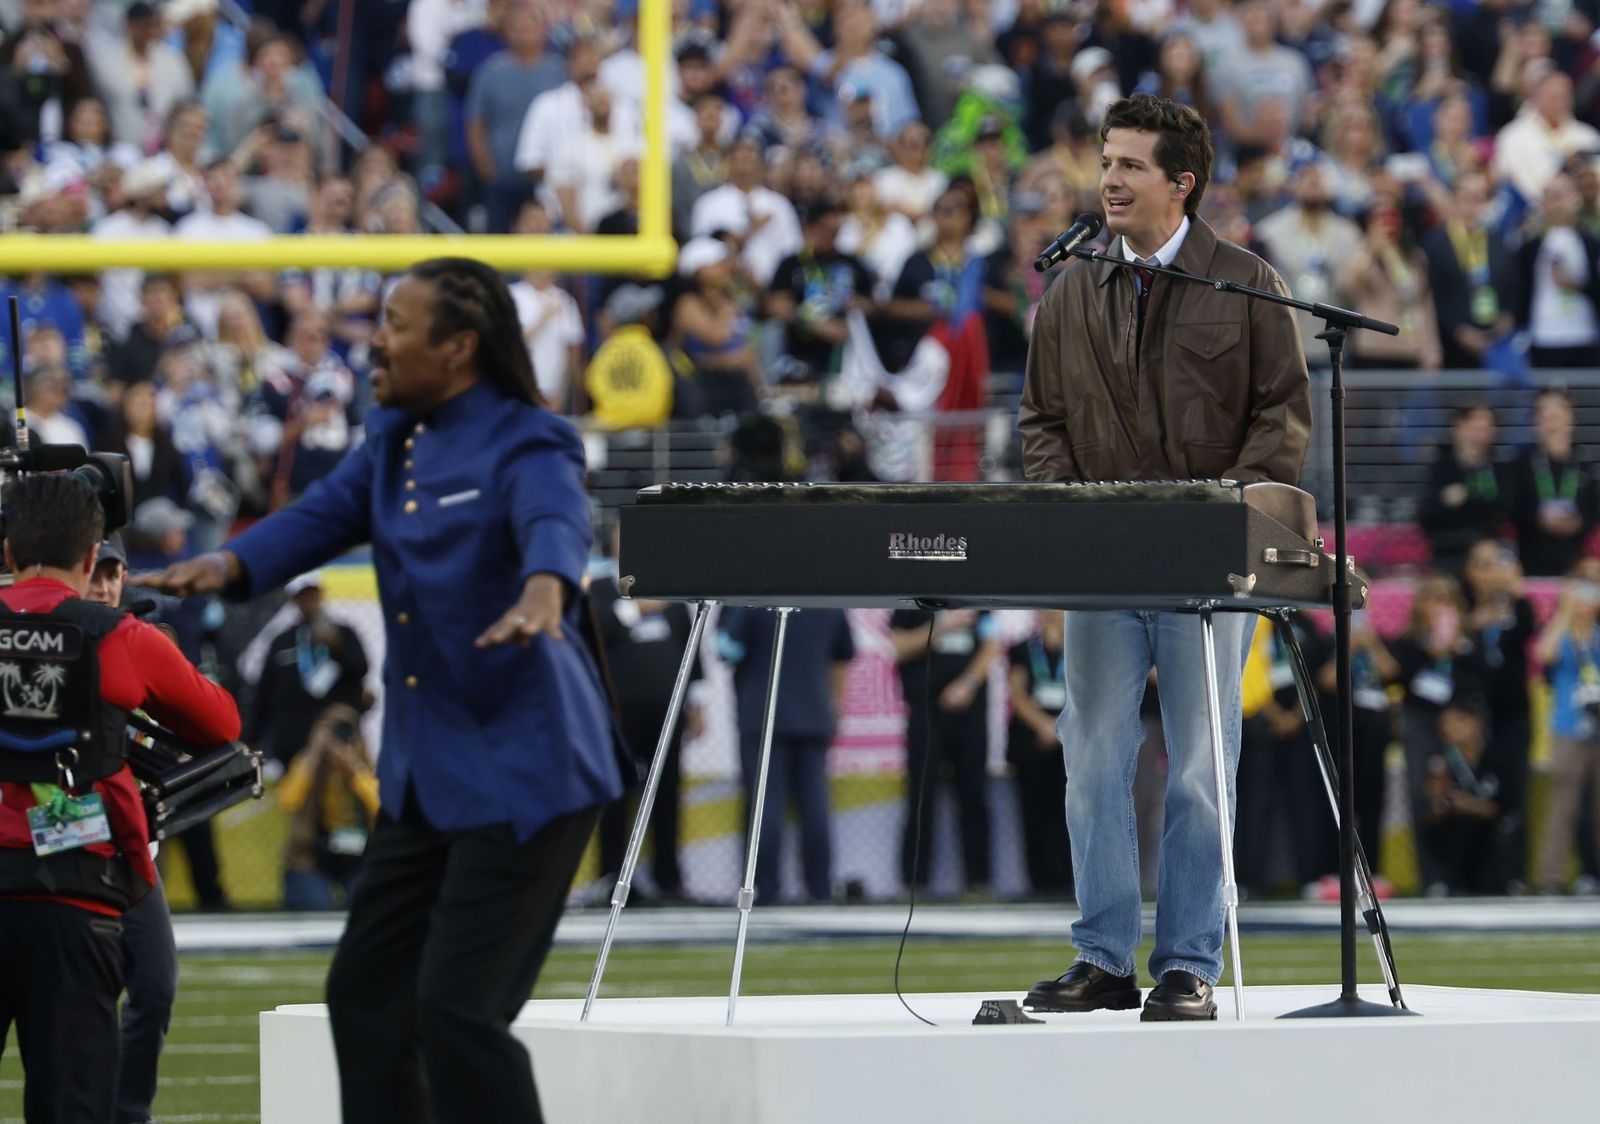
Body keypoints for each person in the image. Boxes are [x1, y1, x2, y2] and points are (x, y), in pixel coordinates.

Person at [133, 257, 630, 1124]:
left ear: (460, 346)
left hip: (529, 770)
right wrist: (229, 563)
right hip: (426, 773)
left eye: (397, 325)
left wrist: (549, 584)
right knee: (363, 995)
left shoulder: (528, 435)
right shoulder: (394, 440)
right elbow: (319, 517)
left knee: (458, 1013)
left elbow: (555, 518)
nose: (376, 343)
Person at [1017, 94, 1309, 1021]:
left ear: (1182, 183)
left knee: (1198, 766)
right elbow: (1042, 422)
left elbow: (1282, 416)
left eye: (1131, 165)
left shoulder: (1247, 279)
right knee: (1092, 757)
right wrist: (1072, 513)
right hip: (1102, 565)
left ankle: (1188, 963)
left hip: (1208, 566)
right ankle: (1102, 957)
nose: (1109, 178)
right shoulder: (1071, 289)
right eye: (1107, 161)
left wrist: (1225, 513)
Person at [0, 473, 239, 1124]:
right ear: (89, 560)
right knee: (74, 1102)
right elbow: (221, 724)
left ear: (7, 554)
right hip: (77, 891)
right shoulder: (122, 637)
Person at [84, 533, 182, 1124]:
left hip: (128, 850)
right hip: (56, 847)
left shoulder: (142, 642)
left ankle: (128, 1114)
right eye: (92, 571)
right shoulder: (47, 637)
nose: (102, 585)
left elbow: (212, 721)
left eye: (112, 573)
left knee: (156, 986)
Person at [719, 605, 855, 904]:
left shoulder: (752, 597)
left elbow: (728, 648)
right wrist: (833, 706)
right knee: (815, 806)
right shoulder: (825, 598)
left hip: (762, 715)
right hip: (813, 714)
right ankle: (819, 889)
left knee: (764, 809)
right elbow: (843, 656)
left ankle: (764, 891)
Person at [890, 608, 1001, 896]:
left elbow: (992, 644)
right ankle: (915, 882)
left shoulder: (976, 596)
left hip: (970, 711)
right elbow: (898, 646)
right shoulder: (913, 600)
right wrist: (940, 626)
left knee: (973, 794)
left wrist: (968, 682)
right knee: (921, 797)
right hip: (926, 710)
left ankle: (978, 882)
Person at [245, 571, 370, 769]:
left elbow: (361, 669)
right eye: (303, 596)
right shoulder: (282, 641)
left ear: (320, 595)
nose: (308, 601)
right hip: (292, 741)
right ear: (294, 600)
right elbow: (264, 691)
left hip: (339, 738)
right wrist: (252, 737)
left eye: (312, 594)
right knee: (297, 796)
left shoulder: (343, 633)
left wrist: (337, 648)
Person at [1533, 564, 1600, 895]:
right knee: (1563, 805)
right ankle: (1552, 876)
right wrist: (1564, 613)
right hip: (1569, 726)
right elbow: (1543, 653)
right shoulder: (1561, 633)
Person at [278, 703, 381, 909]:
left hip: (358, 860)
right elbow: (288, 800)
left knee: (366, 903)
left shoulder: (363, 769)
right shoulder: (308, 765)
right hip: (310, 859)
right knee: (318, 904)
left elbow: (380, 807)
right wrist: (314, 752)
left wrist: (354, 767)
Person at [1006, 611, 1071, 898]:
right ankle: (1038, 883)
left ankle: (1068, 882)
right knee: (1033, 813)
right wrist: (1044, 725)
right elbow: (1017, 694)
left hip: (1069, 740)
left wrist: (1061, 727)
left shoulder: (1080, 649)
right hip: (1032, 741)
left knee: (1069, 814)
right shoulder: (1022, 648)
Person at [1505, 388, 1598, 577]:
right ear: (1535, 422)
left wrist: (1580, 522)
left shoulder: (1588, 464)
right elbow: (1510, 508)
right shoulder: (1520, 464)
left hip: (1580, 564)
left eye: (1557, 414)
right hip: (1531, 562)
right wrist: (1538, 520)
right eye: (1544, 415)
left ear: (1571, 419)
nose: (1551, 421)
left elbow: (1595, 509)